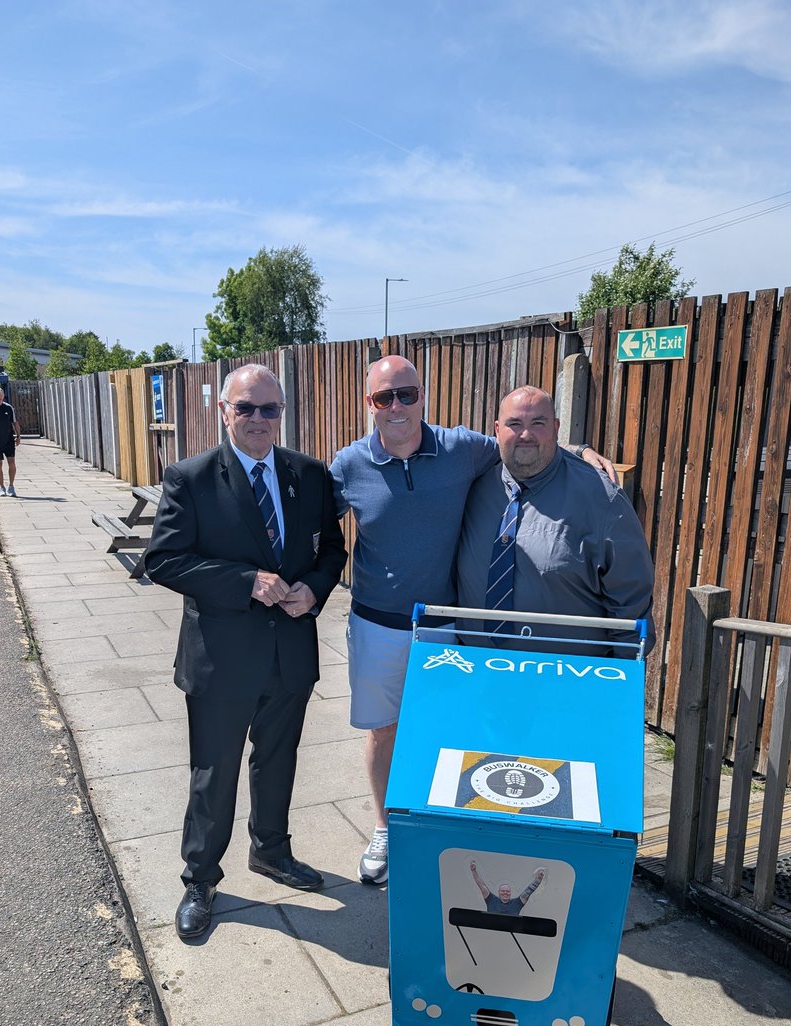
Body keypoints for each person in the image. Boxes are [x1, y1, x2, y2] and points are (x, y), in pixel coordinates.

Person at [329, 355, 614, 885]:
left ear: (423, 396)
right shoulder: (349, 465)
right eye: (383, 398)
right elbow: (314, 534)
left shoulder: (461, 449)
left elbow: (522, 442)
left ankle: (435, 830)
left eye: (406, 394)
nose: (396, 407)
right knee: (383, 732)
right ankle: (387, 828)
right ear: (369, 404)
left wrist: (576, 451)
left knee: (442, 732)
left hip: (443, 625)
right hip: (376, 624)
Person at [144, 364, 347, 940]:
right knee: (215, 772)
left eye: (269, 409)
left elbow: (331, 550)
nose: (259, 420)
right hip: (222, 656)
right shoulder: (192, 477)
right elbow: (164, 560)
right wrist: (245, 582)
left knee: (278, 760)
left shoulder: (309, 474)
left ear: (282, 413)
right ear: (224, 412)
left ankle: (272, 851)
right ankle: (201, 877)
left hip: (290, 652)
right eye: (246, 408)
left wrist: (315, 587)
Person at [456, 385, 655, 654]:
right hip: (475, 671)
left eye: (538, 423)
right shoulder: (472, 485)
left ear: (556, 427)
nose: (525, 434)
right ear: (496, 429)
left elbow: (631, 608)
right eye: (514, 423)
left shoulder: (602, 500)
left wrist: (616, 683)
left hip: (566, 680)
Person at [469, 860, 546, 914]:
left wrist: (538, 879)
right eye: (503, 891)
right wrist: (474, 871)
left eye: (507, 891)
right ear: (498, 893)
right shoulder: (491, 900)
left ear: (510, 893)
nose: (505, 893)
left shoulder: (517, 903)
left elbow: (528, 891)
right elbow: (482, 886)